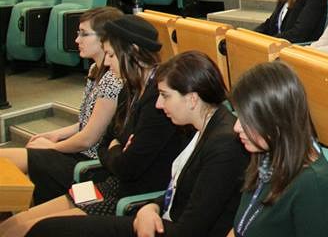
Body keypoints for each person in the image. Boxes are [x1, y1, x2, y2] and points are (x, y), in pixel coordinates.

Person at [0, 16, 187, 237]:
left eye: (111, 55)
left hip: (128, 198)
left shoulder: (158, 100)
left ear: (134, 51)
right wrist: (116, 148)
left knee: (32, 229)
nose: (106, 63)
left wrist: (115, 148)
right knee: (10, 226)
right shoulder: (131, 89)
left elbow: (127, 166)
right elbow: (105, 143)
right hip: (109, 184)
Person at [26, 51, 247, 237]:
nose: (159, 104)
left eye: (165, 96)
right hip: (145, 211)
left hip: (157, 223)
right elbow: (177, 190)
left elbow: (192, 226)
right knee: (43, 228)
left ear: (192, 99)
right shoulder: (199, 126)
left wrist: (148, 212)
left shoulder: (223, 144)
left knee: (46, 230)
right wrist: (152, 207)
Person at [0, 7, 122, 205]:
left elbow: (88, 138)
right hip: (78, 152)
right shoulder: (95, 69)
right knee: (27, 153)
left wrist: (54, 147)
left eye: (84, 34)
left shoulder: (113, 79)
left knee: (7, 159)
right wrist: (55, 134)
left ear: (104, 39)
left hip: (88, 163)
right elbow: (86, 121)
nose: (77, 40)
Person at [229, 61, 328, 237]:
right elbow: (240, 227)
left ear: (276, 122)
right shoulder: (267, 154)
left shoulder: (315, 186)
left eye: (247, 120)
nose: (236, 127)